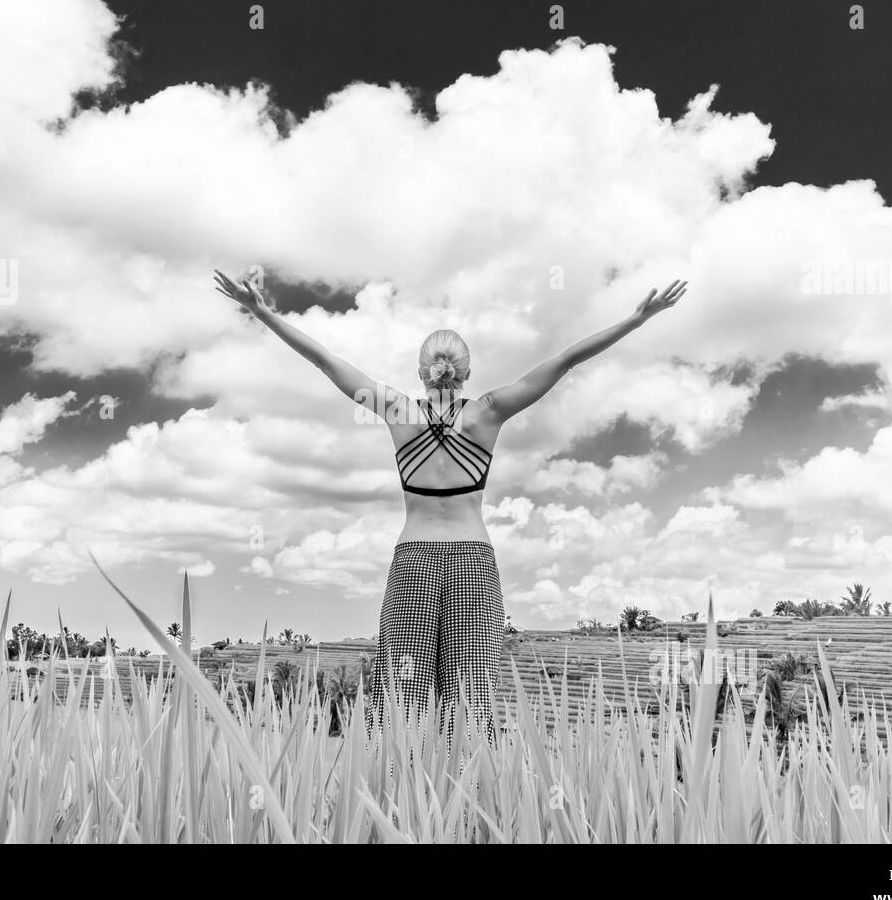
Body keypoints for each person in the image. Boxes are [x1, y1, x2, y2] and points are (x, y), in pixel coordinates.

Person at [213, 270, 687, 739]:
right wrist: (637, 320)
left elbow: (324, 359)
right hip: (473, 562)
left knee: (402, 697)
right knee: (471, 697)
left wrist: (261, 310)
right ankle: (466, 808)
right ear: (465, 373)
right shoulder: (489, 412)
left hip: (413, 561)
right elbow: (565, 361)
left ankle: (400, 801)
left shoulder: (398, 411)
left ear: (422, 372)